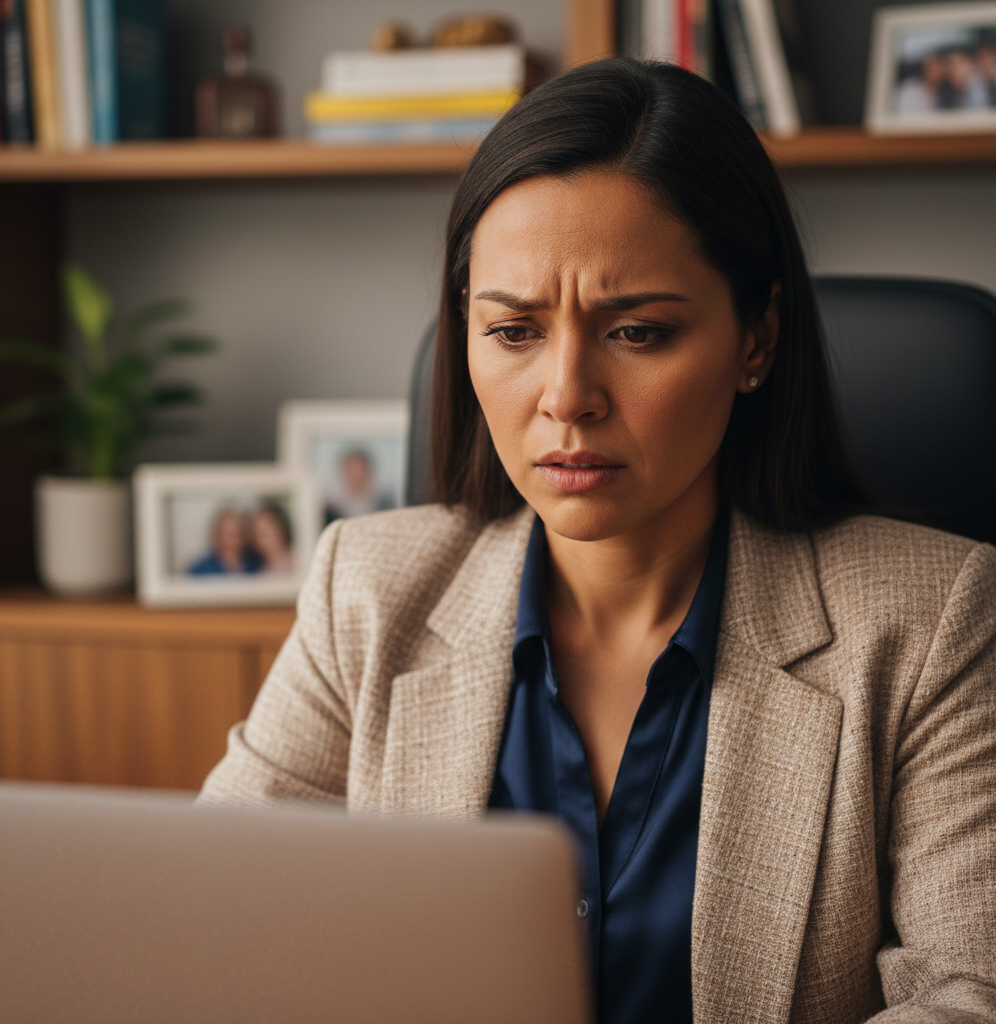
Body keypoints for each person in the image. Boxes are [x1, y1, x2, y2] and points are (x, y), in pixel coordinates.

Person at [199, 59, 996, 1023]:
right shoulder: (365, 591)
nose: (567, 396)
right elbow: (215, 925)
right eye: (514, 331)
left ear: (756, 340)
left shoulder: (933, 619)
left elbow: (971, 993)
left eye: (638, 332)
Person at [188, 507, 262, 575]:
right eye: (228, 532)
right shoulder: (202, 568)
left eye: (237, 531)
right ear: (217, 534)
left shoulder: (254, 565)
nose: (233, 537)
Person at [250, 501, 294, 573]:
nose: (260, 538)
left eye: (266, 531)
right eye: (257, 532)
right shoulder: (260, 570)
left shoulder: (301, 558)